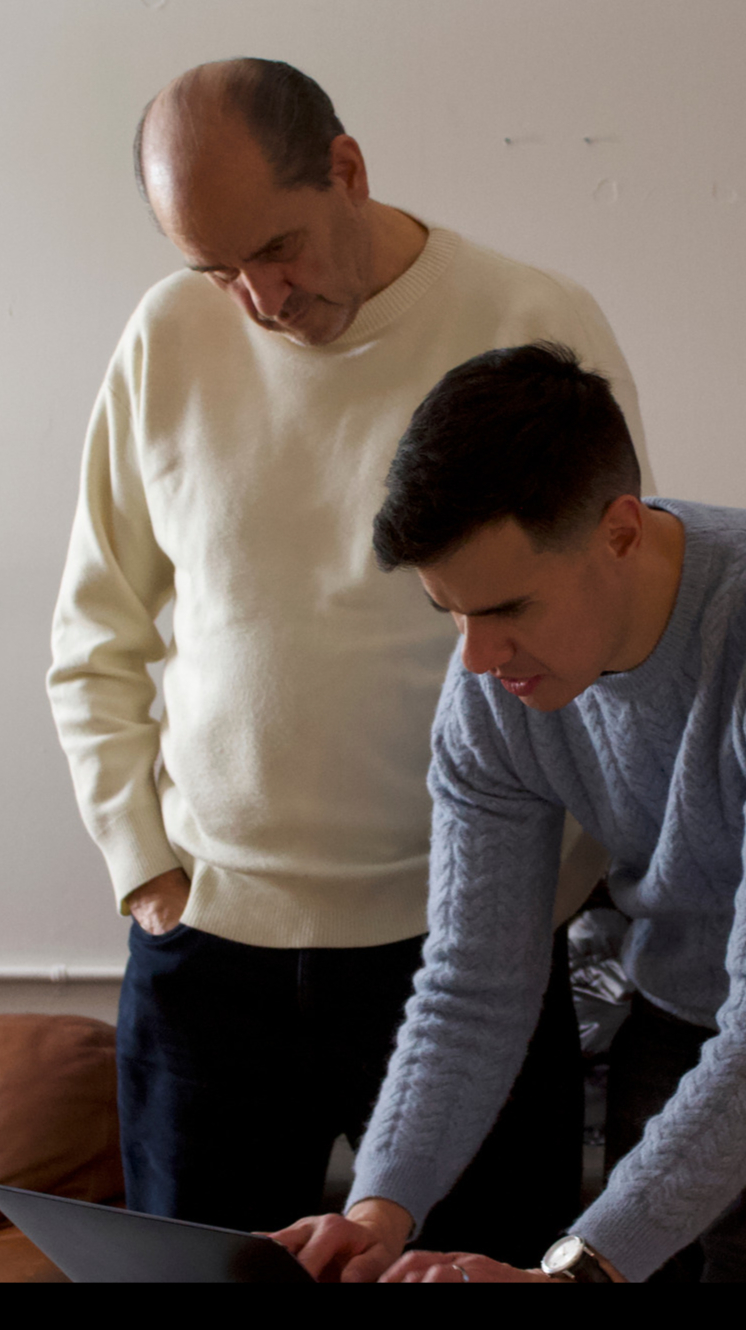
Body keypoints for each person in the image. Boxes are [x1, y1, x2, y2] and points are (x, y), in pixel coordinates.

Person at [46, 60, 651, 1260]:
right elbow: (94, 629)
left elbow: (609, 629)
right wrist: (143, 868)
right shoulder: (166, 336)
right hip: (207, 950)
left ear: (347, 169)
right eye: (217, 270)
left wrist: (546, 894)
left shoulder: (529, 322)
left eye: (278, 248)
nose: (260, 299)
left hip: (466, 948)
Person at [270, 342, 746, 1283]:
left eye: (508, 608)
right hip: (680, 1002)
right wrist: (379, 1207)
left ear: (620, 531)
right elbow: (473, 980)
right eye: (449, 613)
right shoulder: (492, 689)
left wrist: (571, 1274)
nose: (478, 658)